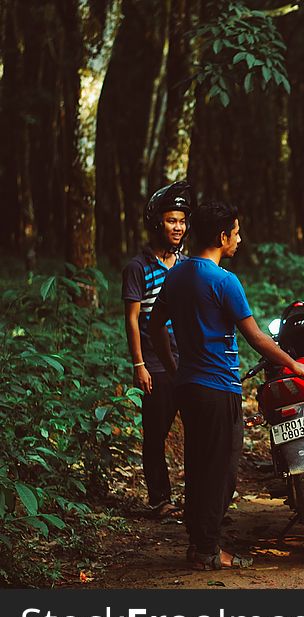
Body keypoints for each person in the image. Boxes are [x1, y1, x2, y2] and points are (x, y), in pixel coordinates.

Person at [148, 200, 304, 570]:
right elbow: (255, 336)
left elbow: (156, 324)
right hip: (219, 387)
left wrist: (175, 369)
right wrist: (294, 365)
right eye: (236, 232)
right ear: (222, 236)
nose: (240, 238)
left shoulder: (176, 274)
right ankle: (208, 550)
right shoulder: (224, 281)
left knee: (198, 466)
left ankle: (199, 545)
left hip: (189, 386)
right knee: (220, 471)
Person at [121, 181, 192, 519]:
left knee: (197, 429)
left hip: (188, 360)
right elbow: (132, 320)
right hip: (155, 362)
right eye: (170, 221)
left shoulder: (187, 263)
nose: (177, 227)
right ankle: (160, 499)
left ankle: (197, 499)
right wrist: (139, 364)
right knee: (156, 434)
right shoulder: (138, 267)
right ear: (156, 223)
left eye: (181, 221)